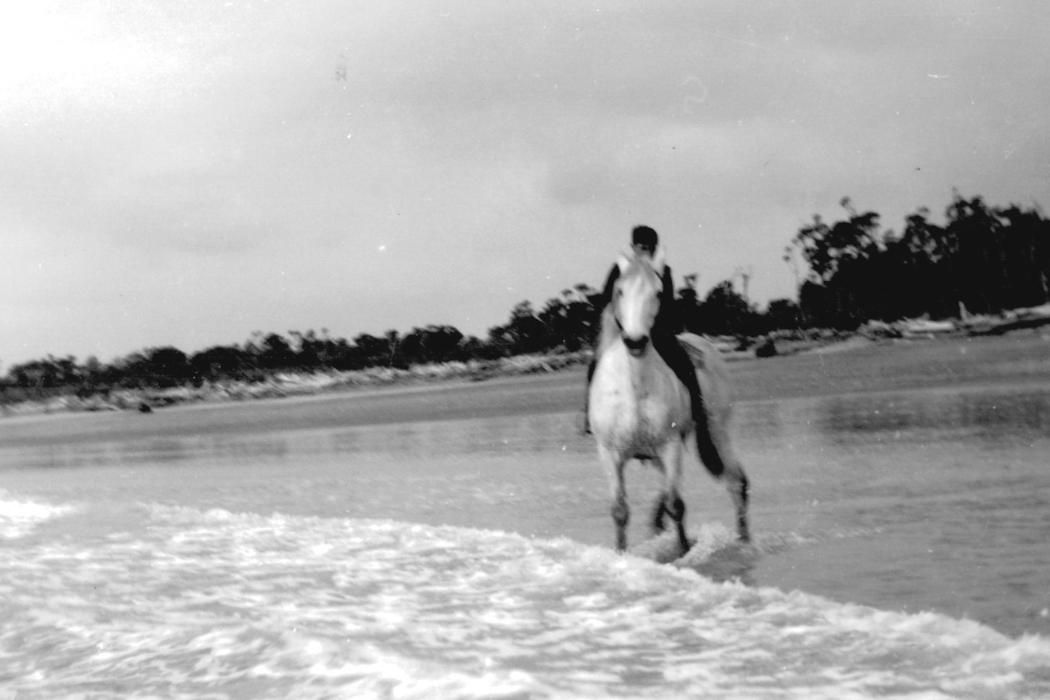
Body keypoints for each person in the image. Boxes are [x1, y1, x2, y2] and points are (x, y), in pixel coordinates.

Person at [583, 226, 706, 446]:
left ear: (655, 249)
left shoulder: (663, 271)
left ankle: (697, 410)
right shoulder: (619, 270)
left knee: (683, 362)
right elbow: (606, 298)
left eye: (649, 248)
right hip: (622, 329)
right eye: (640, 248)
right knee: (595, 365)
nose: (644, 252)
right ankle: (588, 415)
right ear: (633, 248)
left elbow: (667, 303)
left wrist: (651, 323)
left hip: (654, 328)